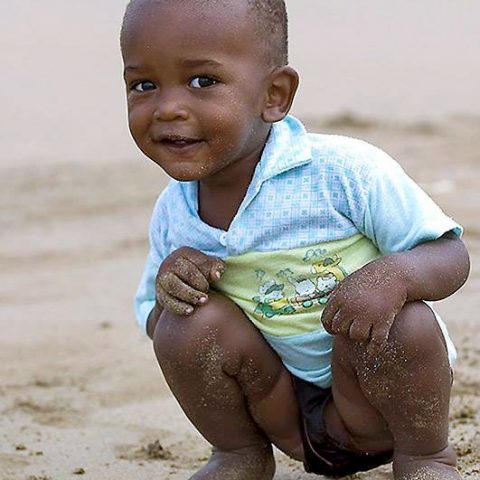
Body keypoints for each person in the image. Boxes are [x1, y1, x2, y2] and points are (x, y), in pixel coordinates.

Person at [121, 0, 470, 478]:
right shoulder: (175, 210)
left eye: (203, 81)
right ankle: (239, 453)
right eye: (144, 85)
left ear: (275, 94)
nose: (168, 108)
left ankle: (427, 457)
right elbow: (155, 324)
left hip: (381, 399)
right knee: (183, 325)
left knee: (405, 323)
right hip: (279, 411)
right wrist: (171, 288)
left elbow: (449, 253)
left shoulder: (343, 172)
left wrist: (395, 275)